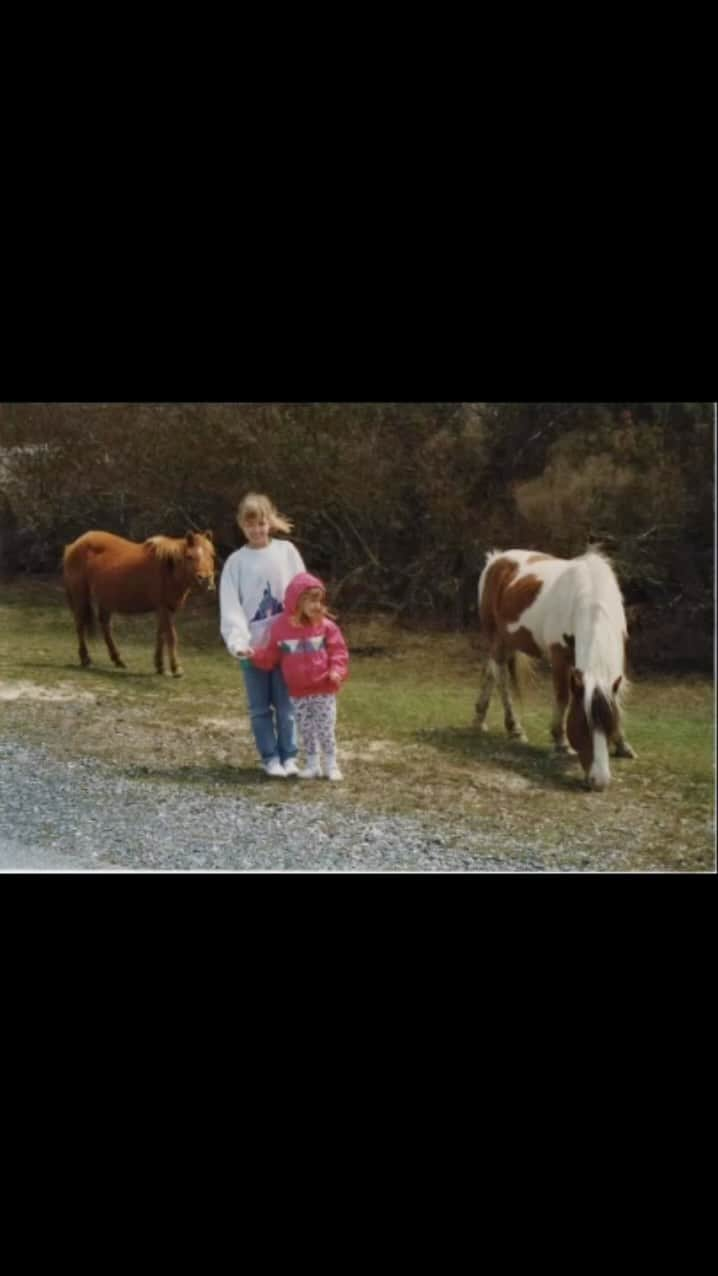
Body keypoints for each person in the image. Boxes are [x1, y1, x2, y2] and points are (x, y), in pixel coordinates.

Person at [219, 493, 305, 778]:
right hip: (253, 649)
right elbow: (231, 606)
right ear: (242, 526)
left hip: (286, 647)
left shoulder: (287, 552)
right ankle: (270, 758)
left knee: (286, 705)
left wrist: (303, 628)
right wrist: (238, 642)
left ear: (270, 522)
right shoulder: (236, 563)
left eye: (261, 523)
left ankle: (289, 756)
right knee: (259, 708)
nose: (257, 530)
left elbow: (300, 591)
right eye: (250, 524)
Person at [249, 571, 349, 780]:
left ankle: (331, 764)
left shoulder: (326, 626)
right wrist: (253, 655)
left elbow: (338, 651)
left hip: (323, 688)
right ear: (297, 601)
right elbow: (271, 656)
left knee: (325, 729)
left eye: (320, 601)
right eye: (311, 601)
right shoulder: (281, 628)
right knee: (306, 730)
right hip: (298, 692)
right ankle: (312, 764)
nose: (317, 606)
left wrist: (336, 671)